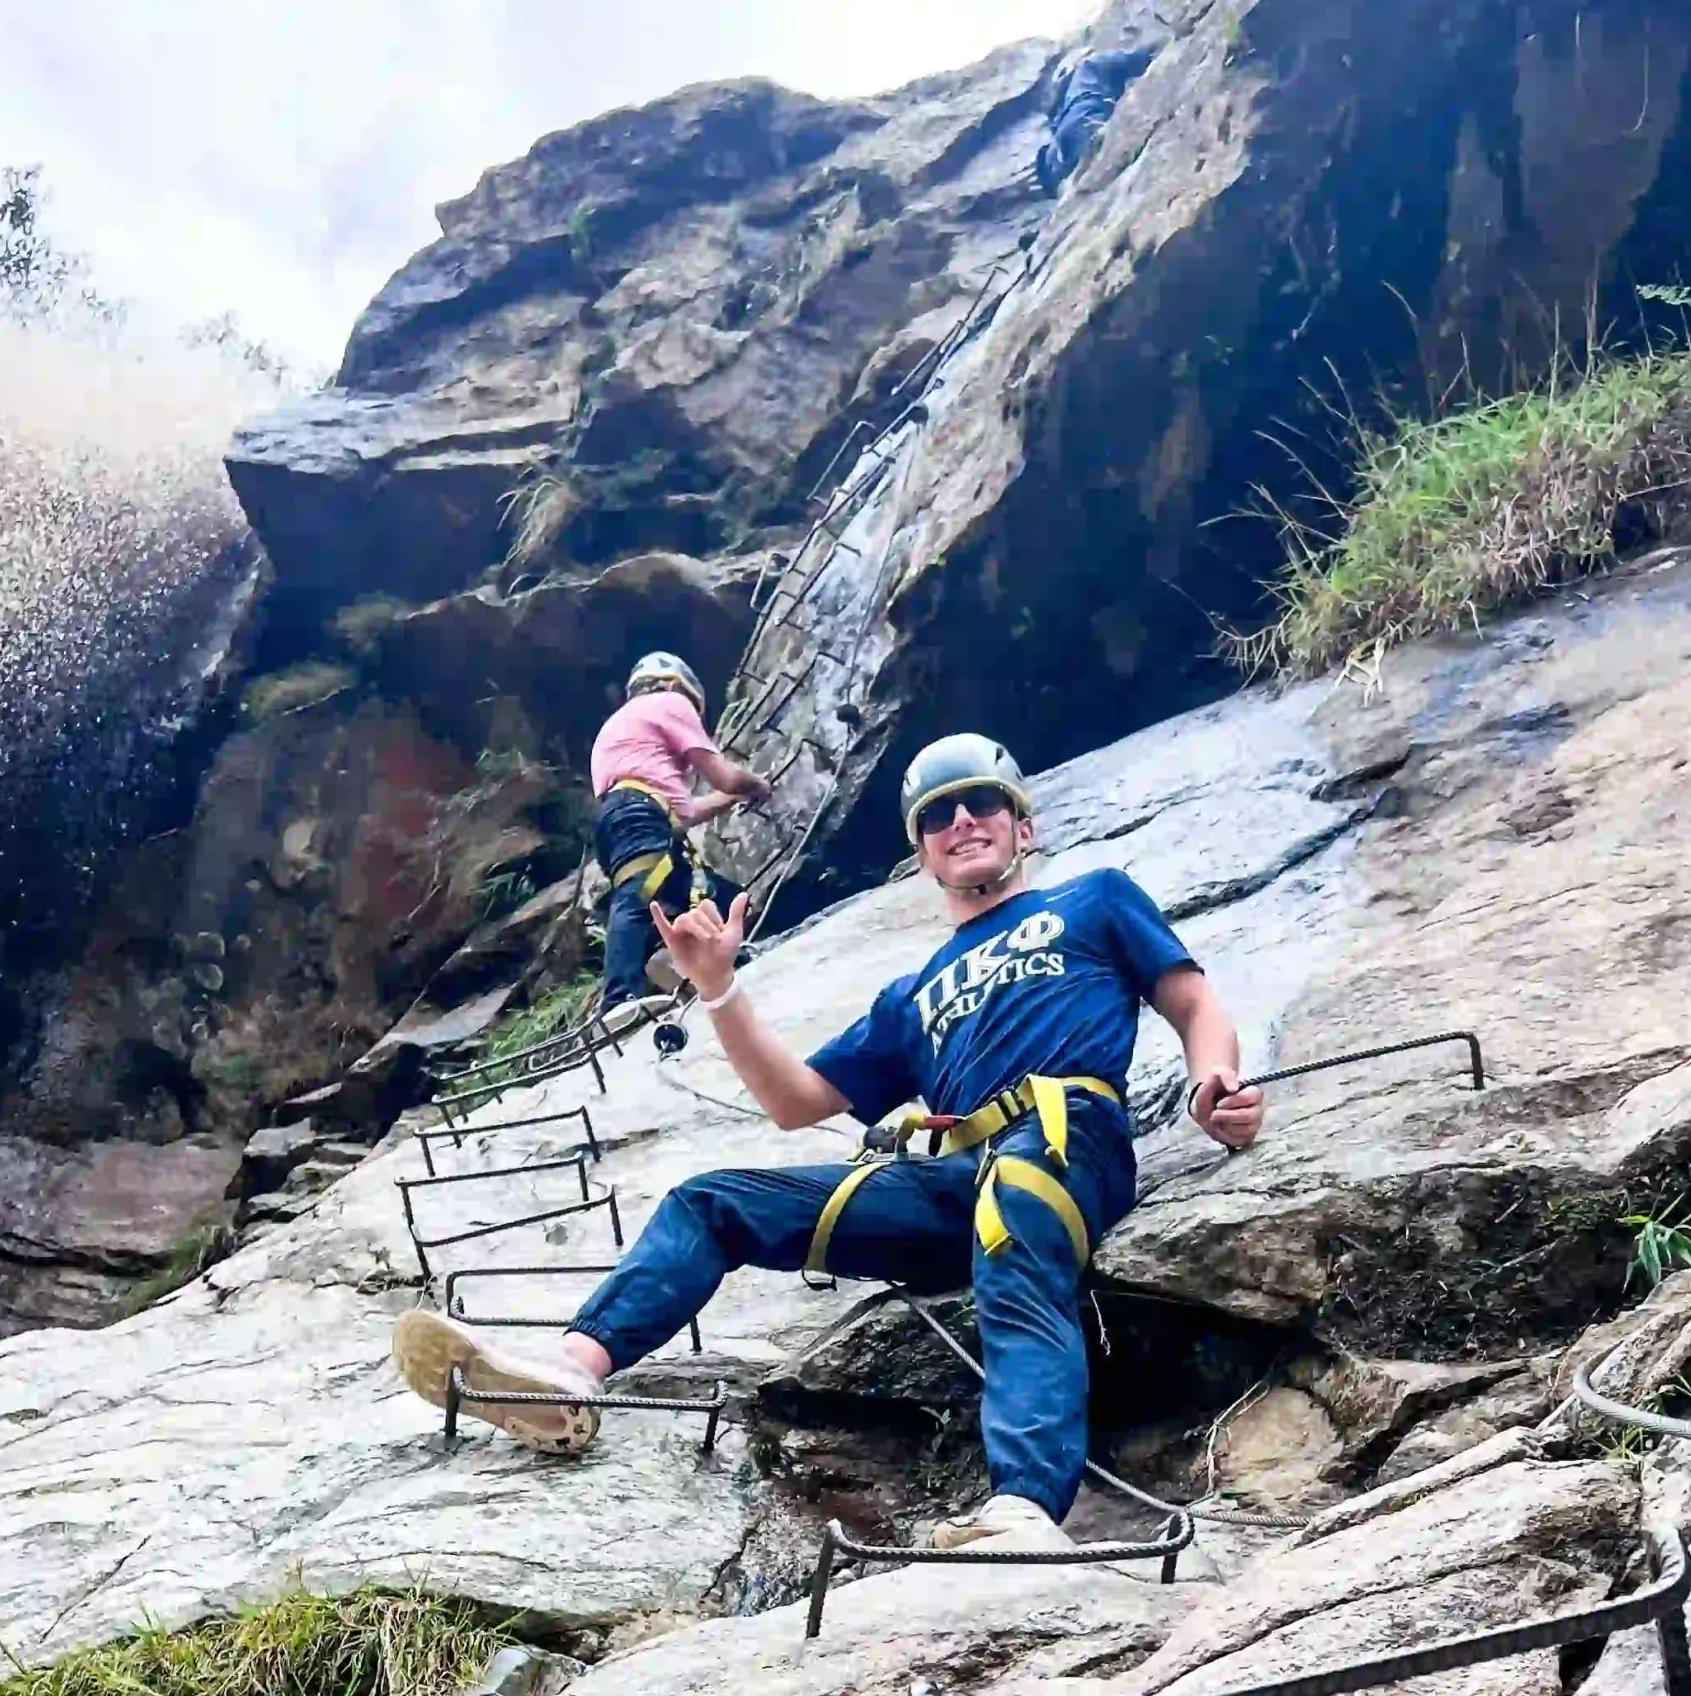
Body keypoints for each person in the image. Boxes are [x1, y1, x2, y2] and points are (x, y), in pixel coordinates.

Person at [393, 733, 1265, 1549]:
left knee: (1013, 1219)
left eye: (980, 805)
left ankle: (1026, 1507)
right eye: (936, 816)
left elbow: (1189, 1001)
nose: (960, 824)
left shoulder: (1094, 900)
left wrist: (1210, 1082)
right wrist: (717, 987)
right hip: (950, 1176)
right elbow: (795, 1100)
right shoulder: (910, 993)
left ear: (1022, 825)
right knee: (713, 1204)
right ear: (921, 853)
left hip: (1062, 1137)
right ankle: (568, 1373)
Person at [586, 651, 769, 1024]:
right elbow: (725, 777)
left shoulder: (619, 729)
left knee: (726, 898)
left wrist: (733, 796)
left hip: (621, 819)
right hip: (640, 814)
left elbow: (683, 813)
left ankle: (709, 962)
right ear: (674, 686)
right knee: (641, 891)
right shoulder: (669, 702)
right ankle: (620, 998)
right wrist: (755, 784)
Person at [1035, 46, 1155, 196]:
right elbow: (1135, 59)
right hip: (1085, 120)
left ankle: (1067, 180)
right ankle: (1088, 151)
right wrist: (1153, 52)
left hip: (1059, 148)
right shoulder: (1090, 65)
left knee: (1067, 159)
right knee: (1092, 137)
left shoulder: (1065, 103)